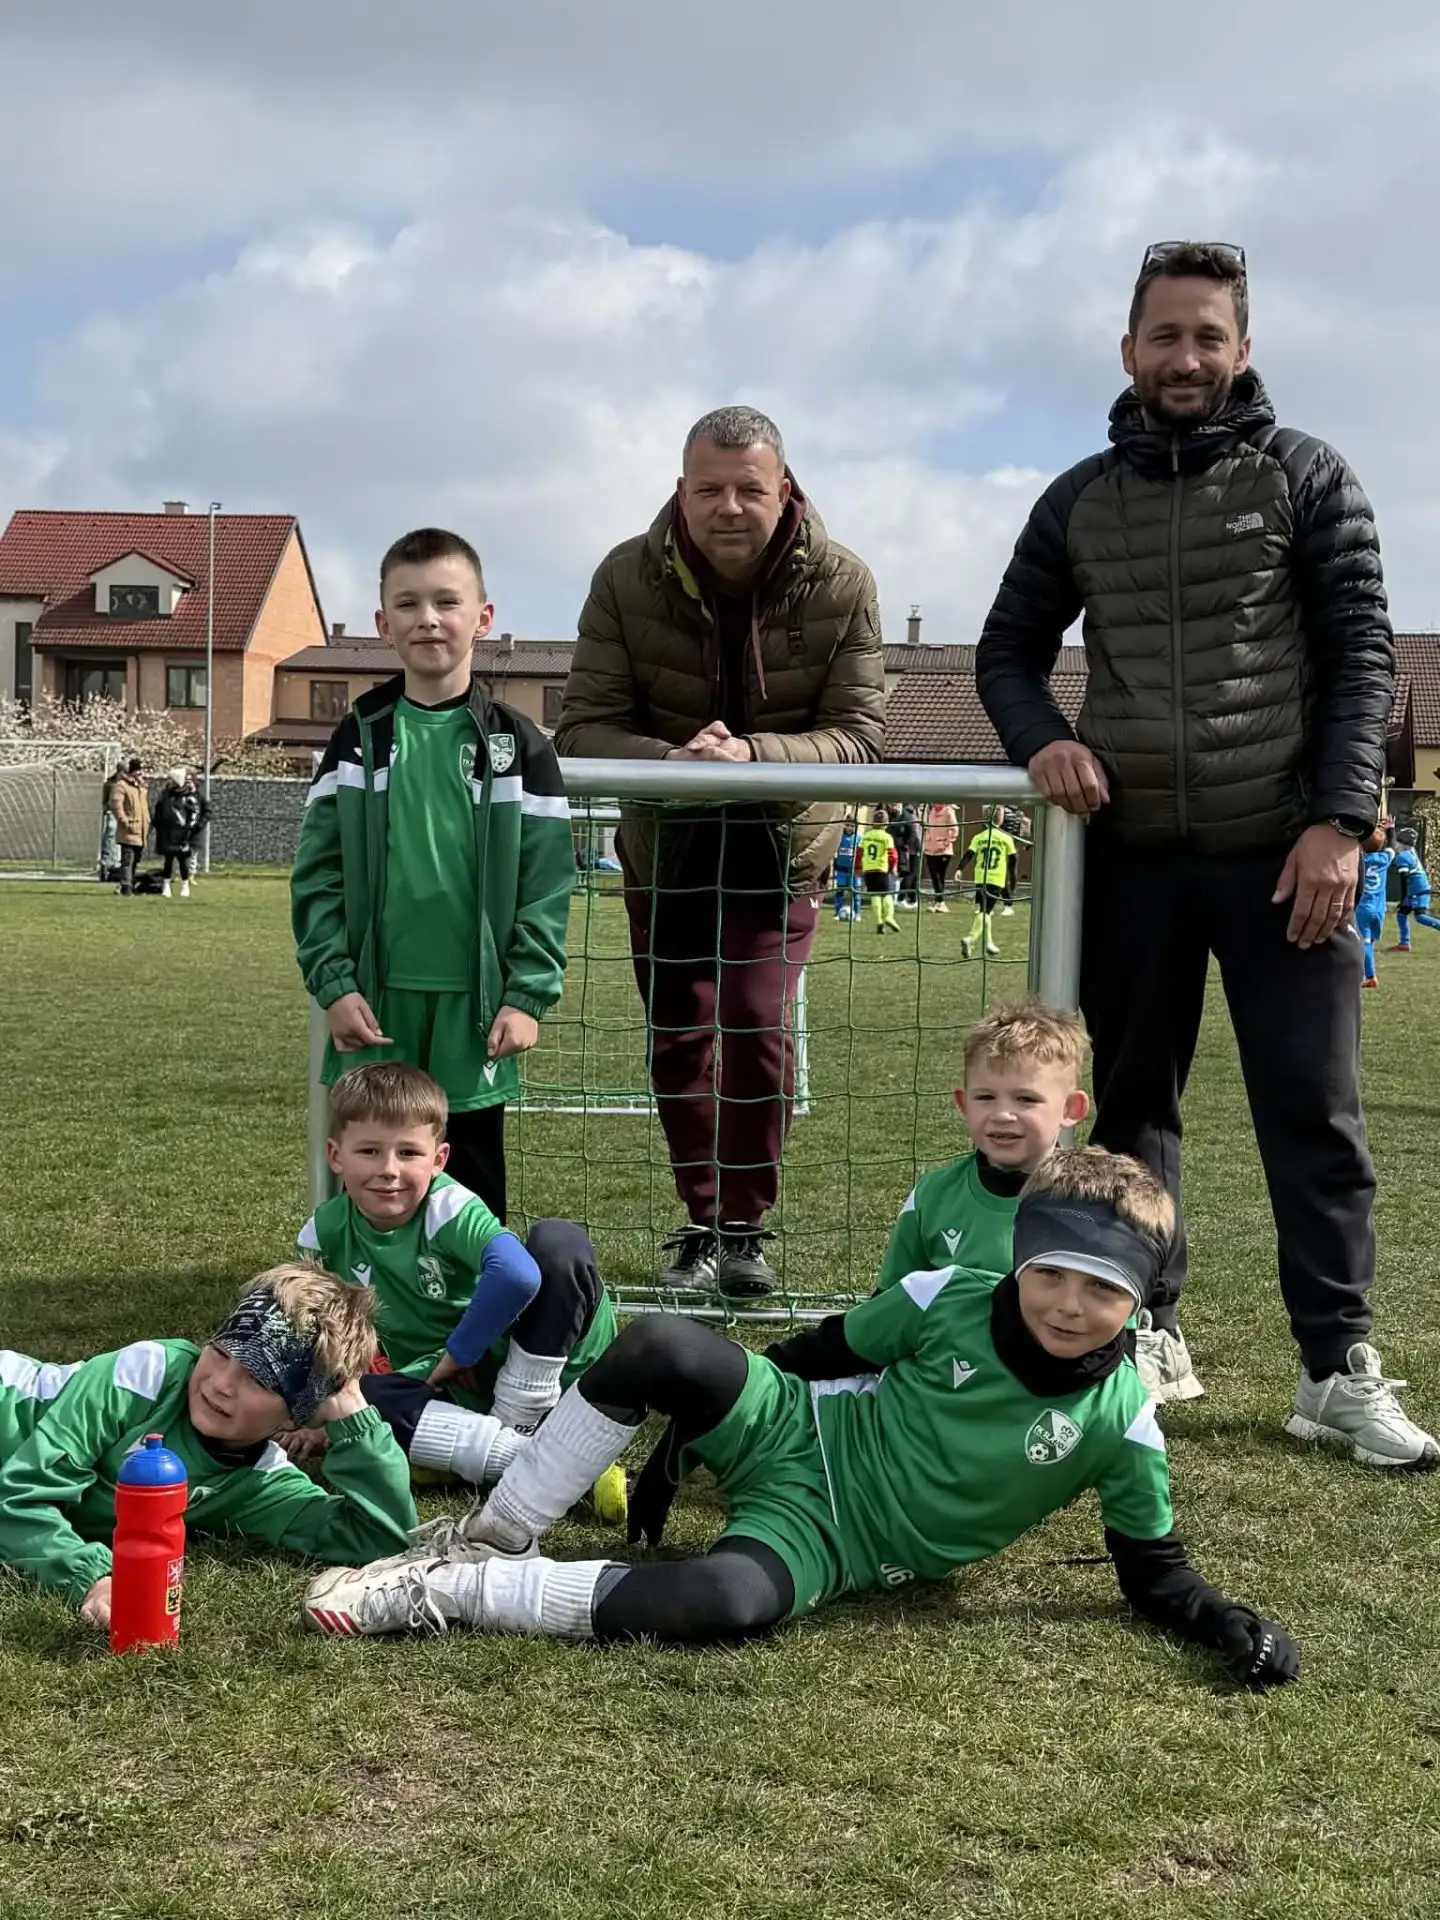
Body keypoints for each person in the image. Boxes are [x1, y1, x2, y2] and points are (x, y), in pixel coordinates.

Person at [976, 240, 1436, 1463]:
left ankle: (1335, 1367)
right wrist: (1043, 743)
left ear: (1244, 351)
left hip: (1287, 858)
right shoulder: (1077, 498)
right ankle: (1146, 1331)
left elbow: (1361, 658)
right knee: (1128, 1119)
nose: (1187, 357)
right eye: (1165, 336)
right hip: (1131, 860)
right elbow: (1006, 652)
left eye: (1208, 337)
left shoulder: (1306, 476)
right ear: (1128, 352)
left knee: (1316, 1116)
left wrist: (1342, 821)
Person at [302, 1149, 1299, 1700]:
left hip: (837, 1540)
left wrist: (1223, 1623)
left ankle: (459, 1593)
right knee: (659, 1342)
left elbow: (1153, 1569)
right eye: (1053, 1275)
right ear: (1021, 1258)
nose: (1070, 1305)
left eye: (1103, 1290)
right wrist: (691, 1429)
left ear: (1141, 1301)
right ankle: (482, 1536)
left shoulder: (1124, 1421)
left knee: (730, 1604)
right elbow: (823, 1352)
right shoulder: (953, 1292)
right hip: (798, 1430)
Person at [553, 406, 886, 1298]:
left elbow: (858, 737)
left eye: (749, 487)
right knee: (678, 1038)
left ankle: (744, 1227)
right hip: (667, 845)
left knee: (757, 1022)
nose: (729, 506)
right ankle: (700, 1222)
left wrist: (752, 755)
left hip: (784, 849)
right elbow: (583, 726)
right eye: (709, 489)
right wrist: (674, 762)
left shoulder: (844, 583)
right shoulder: (625, 577)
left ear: (785, 490)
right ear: (680, 491)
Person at [291, 527, 574, 1224]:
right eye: (409, 604)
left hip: (474, 1012)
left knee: (468, 1176)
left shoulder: (516, 745)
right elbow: (317, 876)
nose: (428, 619)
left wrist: (526, 996)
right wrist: (334, 982)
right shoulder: (358, 736)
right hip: (374, 1005)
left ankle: (473, 1321)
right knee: (368, 1163)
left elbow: (547, 881)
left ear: (483, 617)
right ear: (384, 623)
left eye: (447, 602)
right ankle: (354, 1312)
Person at [288, 1063, 624, 1522]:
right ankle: (540, 1462)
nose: (388, 1170)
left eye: (408, 1152)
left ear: (439, 1159)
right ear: (335, 1155)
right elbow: (311, 1337)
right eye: (369, 1150)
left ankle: (516, 1422)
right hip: (445, 1390)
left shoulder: (447, 1206)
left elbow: (517, 1276)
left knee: (558, 1243)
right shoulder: (322, 1235)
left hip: (524, 1363)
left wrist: (456, 1354)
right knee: (366, 1396)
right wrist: (319, 1418)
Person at [0, 1263, 418, 1630]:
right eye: (221, 1352)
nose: (221, 1383)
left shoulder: (258, 1483)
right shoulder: (144, 1375)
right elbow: (18, 1499)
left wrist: (353, 1414)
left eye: (258, 1378)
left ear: (298, 1414)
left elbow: (381, 1537)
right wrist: (91, 1577)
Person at [875, 1001, 1090, 1289]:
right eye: (985, 1098)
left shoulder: (1091, 1203)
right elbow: (891, 1301)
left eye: (1026, 1099)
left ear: (1070, 1109)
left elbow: (1112, 1313)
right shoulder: (933, 1196)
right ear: (963, 1103)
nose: (1001, 1115)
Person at [959, 809, 1016, 961]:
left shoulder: (979, 837)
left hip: (980, 878)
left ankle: (989, 944)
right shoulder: (1006, 839)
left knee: (984, 911)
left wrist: (959, 869)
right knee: (986, 911)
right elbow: (1012, 864)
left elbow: (968, 855)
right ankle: (970, 938)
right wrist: (1013, 883)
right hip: (996, 879)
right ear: (1001, 820)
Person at [152, 766, 211, 899]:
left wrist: (191, 829)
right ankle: (166, 886)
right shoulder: (166, 795)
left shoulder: (189, 797)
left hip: (183, 835)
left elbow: (194, 813)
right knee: (168, 861)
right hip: (168, 833)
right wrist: (158, 826)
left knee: (183, 861)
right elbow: (159, 812)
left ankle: (185, 885)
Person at [1354, 828, 1394, 990]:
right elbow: (1392, 847)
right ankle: (1366, 971)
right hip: (1379, 909)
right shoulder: (1385, 858)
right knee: (1370, 942)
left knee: (1365, 942)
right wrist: (1390, 830)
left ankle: (1370, 977)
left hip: (1364, 908)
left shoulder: (1359, 859)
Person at [1389, 828, 1440, 951]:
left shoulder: (1403, 857)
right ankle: (1404, 943)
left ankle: (1404, 942)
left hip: (1417, 891)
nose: (1395, 843)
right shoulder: (1410, 852)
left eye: (1397, 840)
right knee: (1402, 913)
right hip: (1417, 889)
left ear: (1401, 842)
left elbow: (1404, 878)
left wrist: (1403, 898)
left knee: (1420, 916)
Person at [111, 757, 149, 896]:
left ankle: (130, 884)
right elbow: (116, 806)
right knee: (128, 859)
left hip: (141, 830)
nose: (141, 774)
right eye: (138, 771)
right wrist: (125, 821)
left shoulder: (141, 787)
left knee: (136, 860)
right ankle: (126, 886)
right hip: (129, 830)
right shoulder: (121, 785)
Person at [858, 806, 899, 933]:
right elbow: (892, 855)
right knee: (886, 894)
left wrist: (858, 867)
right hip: (882, 869)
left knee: (874, 895)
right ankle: (889, 917)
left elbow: (859, 853)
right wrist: (893, 867)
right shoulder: (887, 837)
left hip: (868, 869)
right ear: (886, 823)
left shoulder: (866, 836)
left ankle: (879, 921)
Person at [922, 802, 958, 911]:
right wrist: (926, 840)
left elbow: (954, 829)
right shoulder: (931, 812)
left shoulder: (948, 812)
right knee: (934, 876)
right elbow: (928, 827)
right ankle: (938, 901)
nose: (933, 804)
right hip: (930, 849)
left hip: (943, 850)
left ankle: (940, 902)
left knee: (939, 876)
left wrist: (946, 842)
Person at [891, 804, 921, 909]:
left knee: (912, 875)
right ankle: (901, 898)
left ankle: (912, 899)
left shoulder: (906, 817)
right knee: (910, 874)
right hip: (909, 850)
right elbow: (914, 835)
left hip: (909, 849)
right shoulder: (910, 817)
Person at [98, 757, 123, 882]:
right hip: (111, 813)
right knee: (110, 835)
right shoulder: (110, 784)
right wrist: (107, 808)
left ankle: (116, 863)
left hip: (122, 813)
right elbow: (104, 800)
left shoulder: (127, 785)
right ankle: (106, 861)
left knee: (119, 839)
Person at [831, 816, 859, 922]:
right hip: (841, 869)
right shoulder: (839, 837)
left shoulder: (859, 838)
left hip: (854, 871)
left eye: (852, 826)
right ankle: (837, 912)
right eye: (847, 825)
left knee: (855, 893)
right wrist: (835, 861)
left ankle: (857, 913)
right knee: (839, 892)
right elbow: (835, 850)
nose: (849, 828)